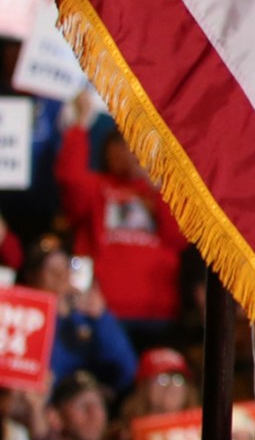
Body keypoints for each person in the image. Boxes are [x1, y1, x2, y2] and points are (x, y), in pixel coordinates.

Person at [57, 96, 190, 347]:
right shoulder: (98, 188)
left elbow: (179, 238)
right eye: (119, 143)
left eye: (133, 143)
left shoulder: (163, 191)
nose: (126, 150)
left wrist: (158, 185)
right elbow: (70, 181)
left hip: (158, 312)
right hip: (104, 308)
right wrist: (79, 127)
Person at [28, 241, 135, 393]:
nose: (60, 275)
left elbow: (125, 370)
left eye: (64, 267)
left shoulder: (89, 318)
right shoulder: (26, 321)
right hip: (47, 399)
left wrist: (102, 318)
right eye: (50, 269)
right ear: (32, 277)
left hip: (88, 396)